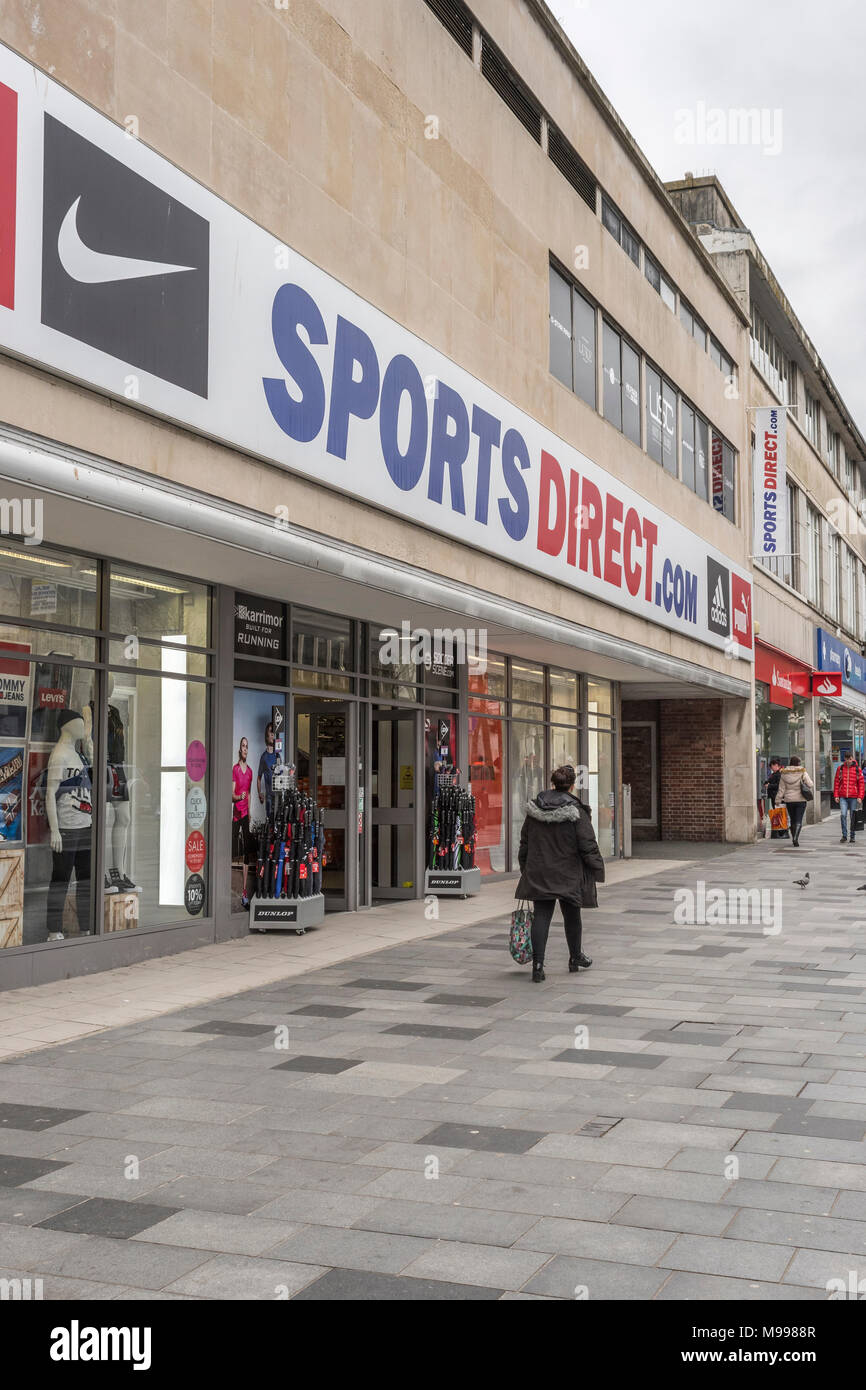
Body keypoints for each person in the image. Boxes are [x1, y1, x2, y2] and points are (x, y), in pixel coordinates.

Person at [515, 763, 605, 983]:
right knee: (572, 915)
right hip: (567, 872)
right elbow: (588, 844)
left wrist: (524, 866)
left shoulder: (535, 809)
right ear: (572, 786)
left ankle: (538, 966)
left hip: (540, 871)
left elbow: (525, 841)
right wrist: (597, 868)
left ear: (553, 784)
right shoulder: (576, 812)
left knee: (542, 916)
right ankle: (575, 957)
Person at [232, 737, 254, 908]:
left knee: (247, 851)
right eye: (243, 746)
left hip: (246, 814)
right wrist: (239, 797)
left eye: (247, 746)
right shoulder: (235, 769)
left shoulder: (251, 772)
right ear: (239, 750)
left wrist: (251, 811)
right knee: (234, 850)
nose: (245, 749)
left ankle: (244, 890)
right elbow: (232, 794)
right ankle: (232, 887)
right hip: (236, 814)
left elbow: (250, 793)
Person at [776, 755, 814, 848]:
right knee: (798, 819)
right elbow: (810, 784)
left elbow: (781, 789)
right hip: (800, 800)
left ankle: (794, 837)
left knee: (793, 819)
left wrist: (778, 800)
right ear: (798, 763)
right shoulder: (802, 771)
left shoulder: (784, 773)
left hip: (789, 800)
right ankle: (795, 838)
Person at [833, 751, 865, 845]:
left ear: (852, 758)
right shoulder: (841, 768)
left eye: (850, 759)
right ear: (844, 759)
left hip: (854, 797)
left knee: (852, 816)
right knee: (843, 815)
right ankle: (844, 835)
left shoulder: (857, 769)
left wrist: (860, 796)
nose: (848, 761)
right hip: (842, 796)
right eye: (846, 759)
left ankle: (852, 836)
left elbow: (861, 784)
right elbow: (836, 782)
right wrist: (836, 795)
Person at [257, 721, 279, 820]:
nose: (273, 735)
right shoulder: (264, 757)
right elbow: (258, 777)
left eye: (274, 732)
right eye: (271, 732)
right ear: (267, 736)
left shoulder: (278, 755)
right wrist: (259, 793)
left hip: (279, 796)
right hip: (269, 796)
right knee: (270, 822)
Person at [763, 757, 786, 839]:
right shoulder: (774, 774)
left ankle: (781, 831)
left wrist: (769, 785)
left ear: (777, 765)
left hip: (777, 796)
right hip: (773, 796)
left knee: (778, 813)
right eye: (771, 766)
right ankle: (779, 831)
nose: (771, 768)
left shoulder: (779, 774)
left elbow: (779, 786)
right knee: (777, 813)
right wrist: (767, 782)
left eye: (772, 766)